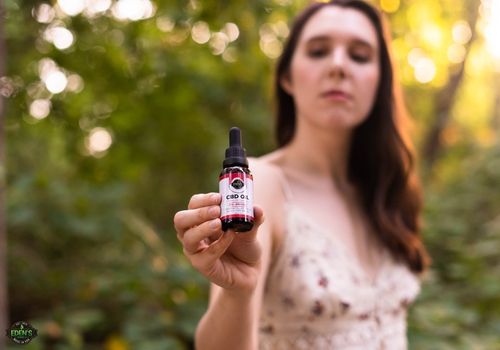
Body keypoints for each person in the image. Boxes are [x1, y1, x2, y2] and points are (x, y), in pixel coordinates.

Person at [173, 0, 430, 349]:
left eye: (359, 55)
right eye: (319, 50)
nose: (339, 65)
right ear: (287, 77)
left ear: (379, 80)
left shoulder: (385, 189)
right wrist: (239, 294)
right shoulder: (263, 185)